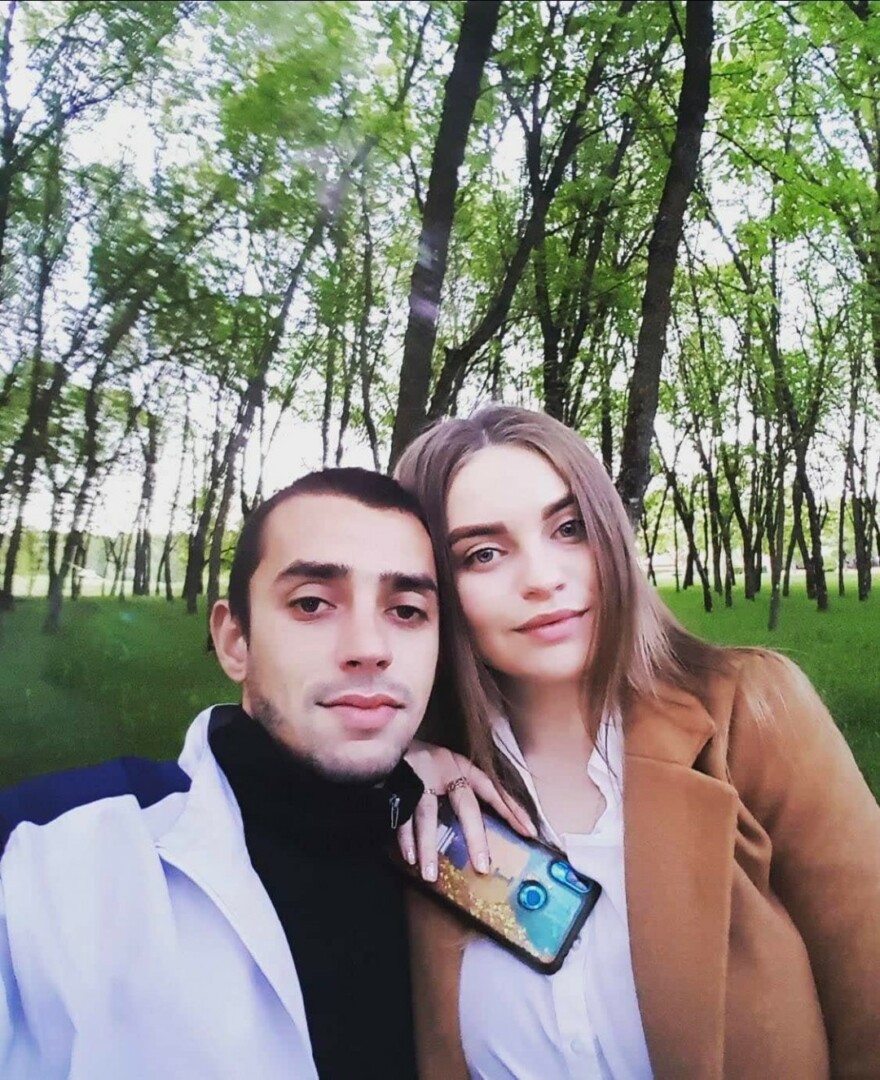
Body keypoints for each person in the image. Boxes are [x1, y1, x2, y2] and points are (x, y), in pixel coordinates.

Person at [395, 404, 880, 1080]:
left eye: (569, 529)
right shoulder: (414, 795)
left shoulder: (753, 712)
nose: (542, 577)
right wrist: (395, 763)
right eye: (483, 554)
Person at [0, 467, 515, 1080]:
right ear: (235, 641)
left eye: (406, 610)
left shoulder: (483, 857)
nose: (369, 647)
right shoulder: (46, 855)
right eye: (312, 604)